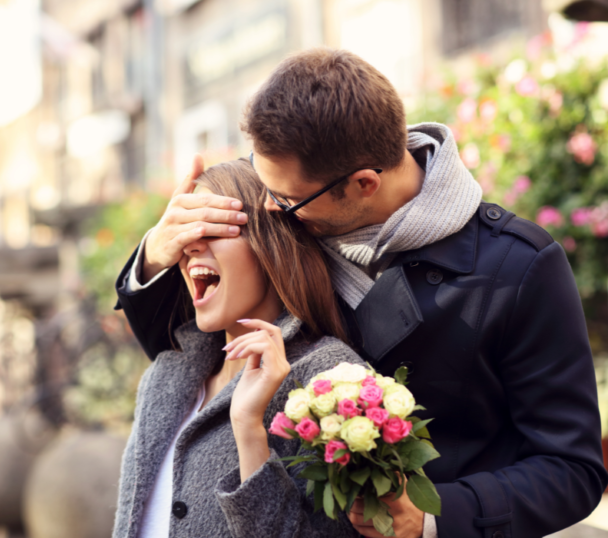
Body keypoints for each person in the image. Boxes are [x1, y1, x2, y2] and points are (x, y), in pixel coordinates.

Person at [116, 48, 608, 538]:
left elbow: (571, 468)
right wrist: (155, 255)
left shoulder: (516, 267)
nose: (267, 207)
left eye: (285, 201)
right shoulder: (300, 205)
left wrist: (432, 517)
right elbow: (189, 353)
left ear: (363, 184)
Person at [112, 159, 365, 538]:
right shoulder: (165, 375)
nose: (191, 243)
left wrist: (249, 430)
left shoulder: (330, 378)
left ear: (271, 246)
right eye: (186, 228)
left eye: (213, 227)